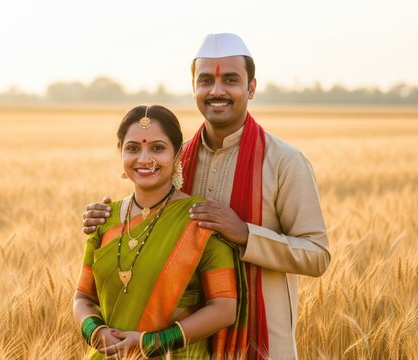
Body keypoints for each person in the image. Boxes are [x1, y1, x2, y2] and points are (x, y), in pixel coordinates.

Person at [82, 33, 330, 359]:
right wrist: (104, 216)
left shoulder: (284, 161)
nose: (216, 91)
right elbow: (146, 221)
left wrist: (245, 234)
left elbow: (317, 255)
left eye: (230, 80)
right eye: (205, 80)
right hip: (189, 344)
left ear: (251, 88)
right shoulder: (175, 158)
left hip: (264, 341)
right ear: (194, 88)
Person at [73, 105, 248, 359]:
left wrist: (153, 342)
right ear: (120, 151)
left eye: (157, 148)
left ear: (177, 154)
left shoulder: (200, 220)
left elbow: (224, 308)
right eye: (133, 148)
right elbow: (83, 297)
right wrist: (95, 332)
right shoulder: (104, 219)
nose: (144, 159)